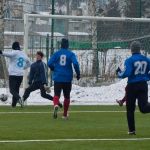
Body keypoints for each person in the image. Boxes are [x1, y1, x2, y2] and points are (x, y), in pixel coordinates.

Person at [116, 41, 150, 135]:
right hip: (143, 85)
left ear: (131, 49)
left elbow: (127, 73)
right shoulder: (147, 59)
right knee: (143, 108)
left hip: (132, 85)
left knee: (130, 109)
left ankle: (132, 130)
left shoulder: (129, 60)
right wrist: (147, 77)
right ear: (139, 49)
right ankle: (131, 130)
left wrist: (118, 73)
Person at [48, 38, 80, 119]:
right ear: (68, 45)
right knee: (67, 96)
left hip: (58, 77)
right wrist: (78, 73)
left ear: (60, 45)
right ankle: (65, 114)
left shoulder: (57, 53)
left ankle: (55, 105)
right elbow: (75, 63)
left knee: (56, 95)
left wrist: (53, 68)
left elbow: (49, 63)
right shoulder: (71, 54)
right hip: (67, 78)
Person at [0, 41, 31, 107]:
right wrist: (23, 67)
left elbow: (8, 54)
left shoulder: (14, 52)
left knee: (12, 90)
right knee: (16, 90)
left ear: (13, 47)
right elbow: (29, 63)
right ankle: (13, 105)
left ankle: (20, 99)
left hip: (13, 75)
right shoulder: (23, 54)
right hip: (20, 75)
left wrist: (1, 52)